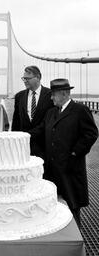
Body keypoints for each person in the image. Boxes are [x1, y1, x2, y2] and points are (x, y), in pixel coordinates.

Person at [29, 78, 98, 227]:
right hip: (52, 170)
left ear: (64, 94)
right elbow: (40, 130)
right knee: (52, 207)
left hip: (70, 169)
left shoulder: (80, 110)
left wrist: (75, 153)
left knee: (72, 207)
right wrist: (22, 136)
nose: (51, 98)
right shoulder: (51, 112)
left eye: (53, 95)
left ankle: (76, 239)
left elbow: (91, 134)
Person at [11, 65, 54, 158]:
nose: (25, 81)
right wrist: (14, 142)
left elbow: (51, 121)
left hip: (44, 146)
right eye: (23, 78)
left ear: (38, 77)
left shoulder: (51, 95)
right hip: (23, 147)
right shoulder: (19, 96)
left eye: (27, 78)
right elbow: (16, 121)